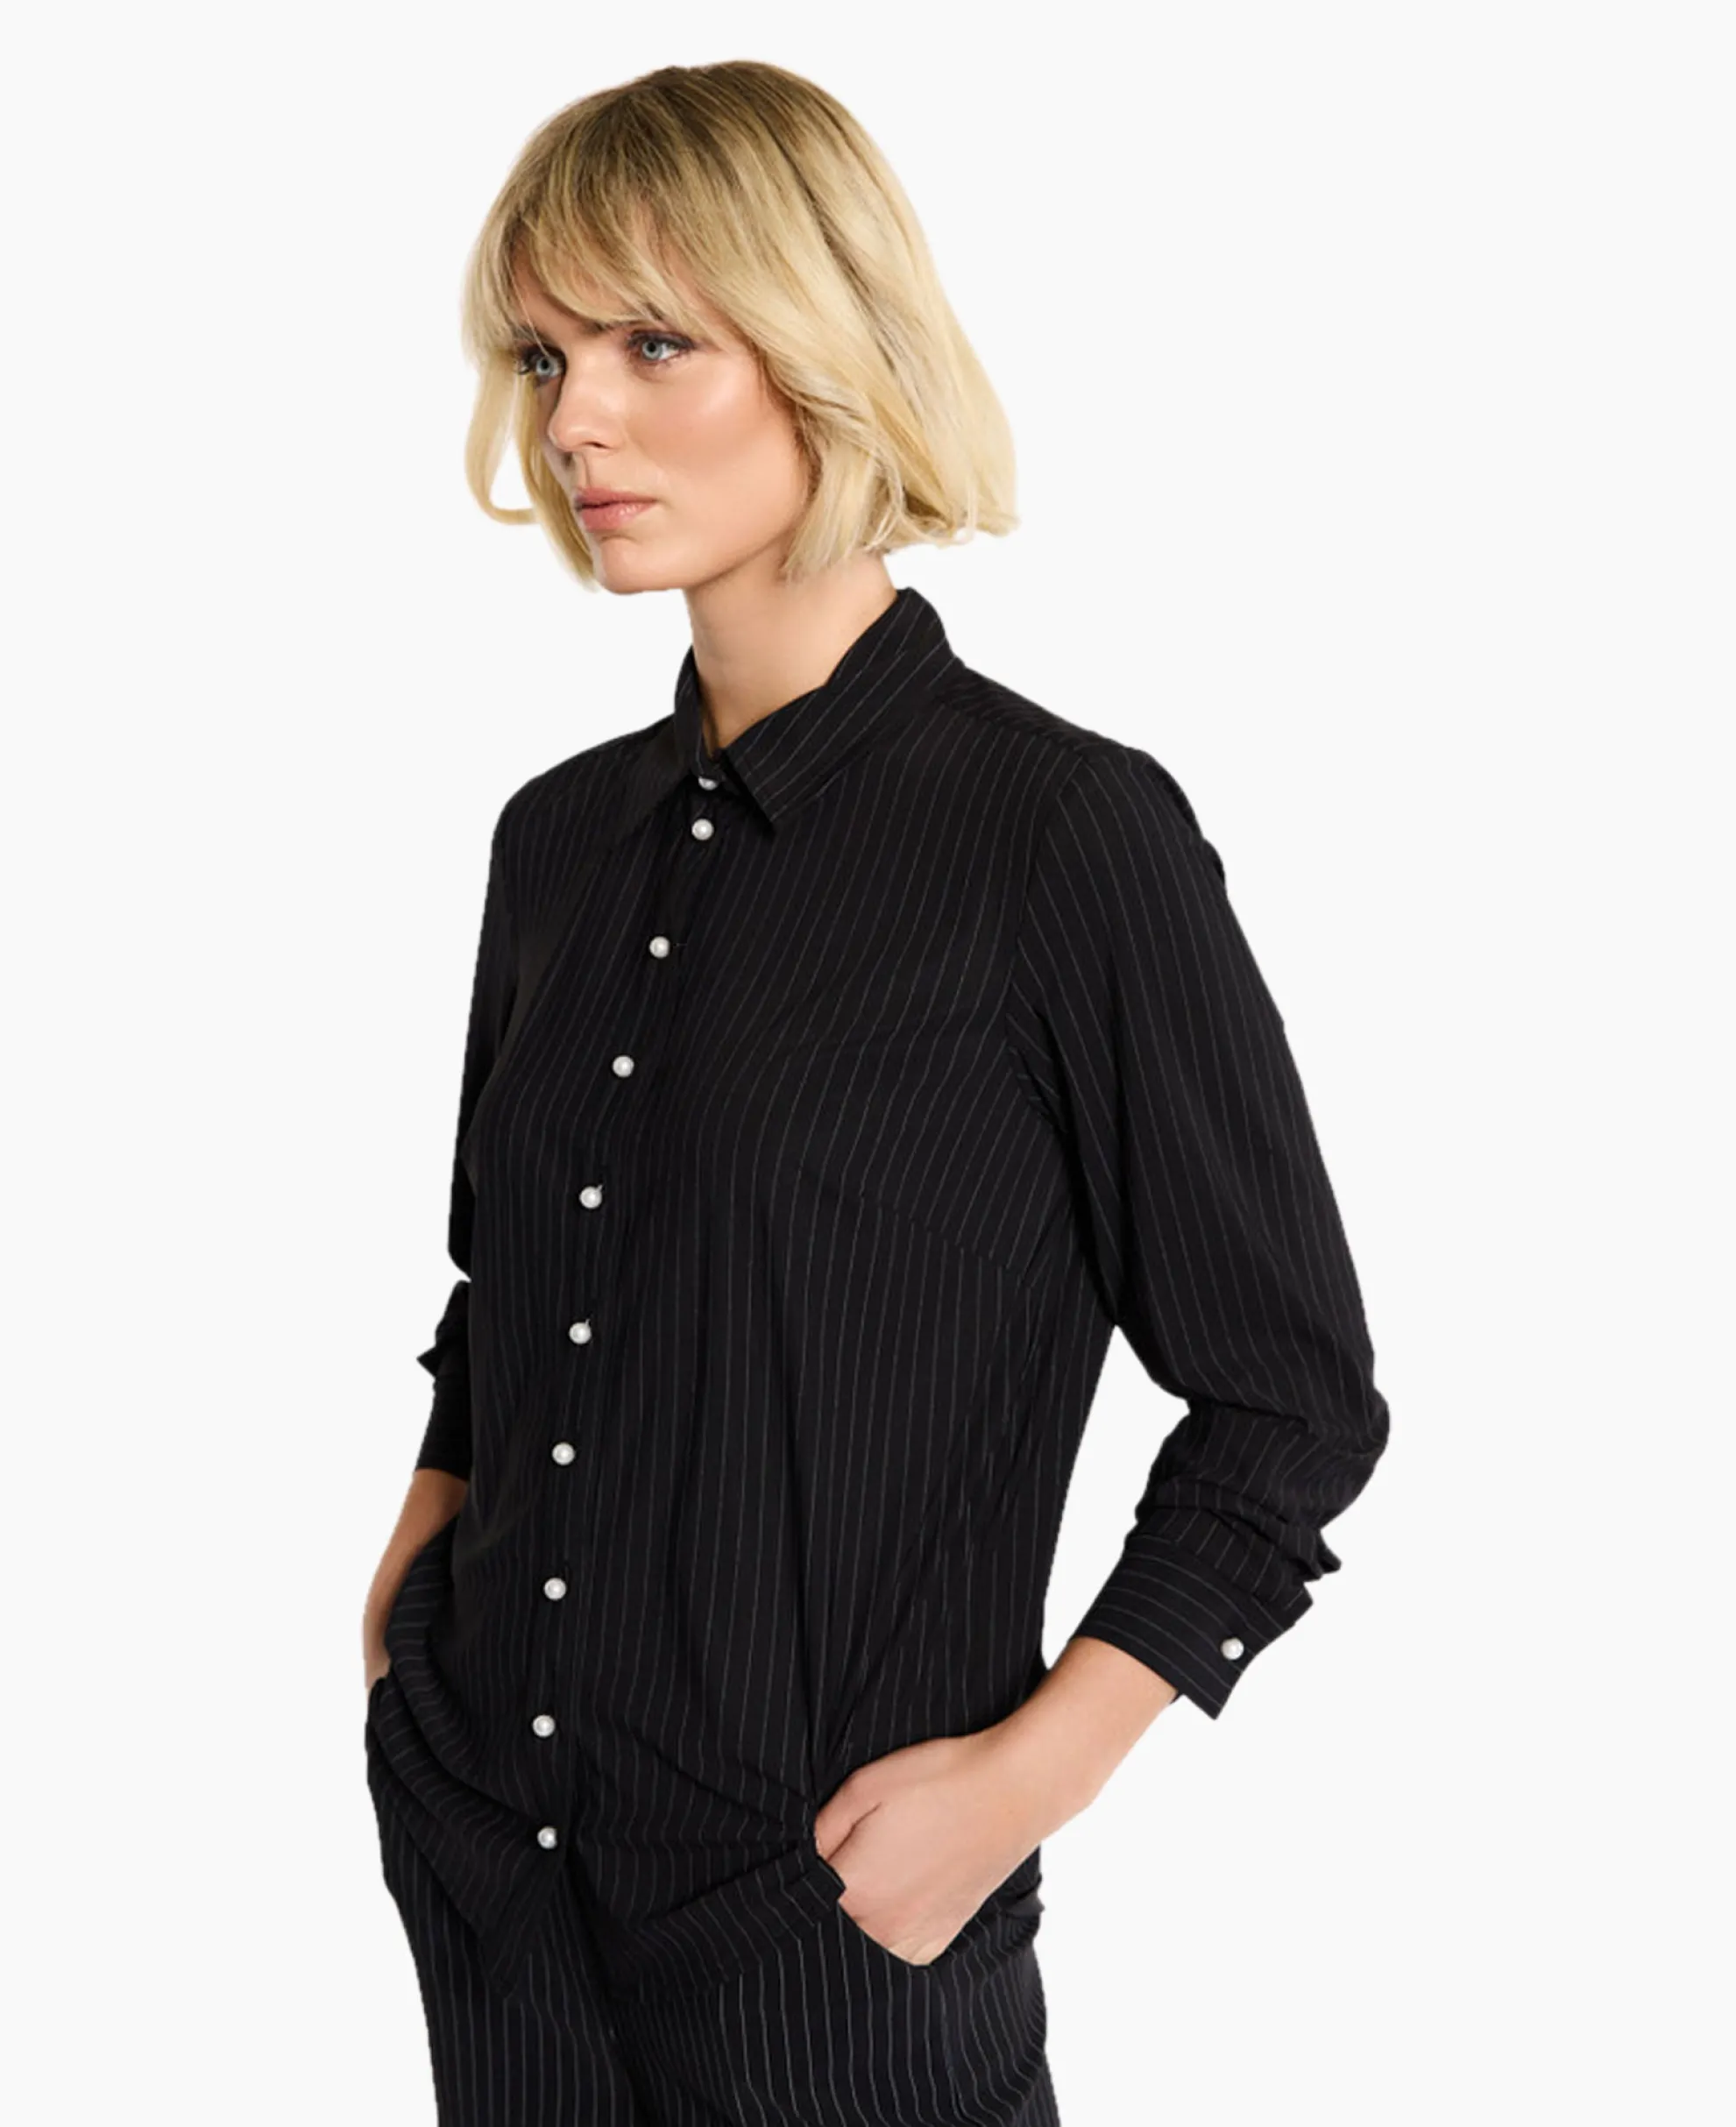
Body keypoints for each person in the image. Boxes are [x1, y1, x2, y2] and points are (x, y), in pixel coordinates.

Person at [360, 57, 1391, 2127]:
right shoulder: (554, 843)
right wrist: (410, 1607)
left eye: (654, 345)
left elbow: (1290, 1400)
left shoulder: (1060, 838)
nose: (575, 421)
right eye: (545, 355)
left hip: (829, 1930)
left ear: (821, 344)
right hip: (498, 1884)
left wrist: (1025, 1784)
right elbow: (515, 1283)